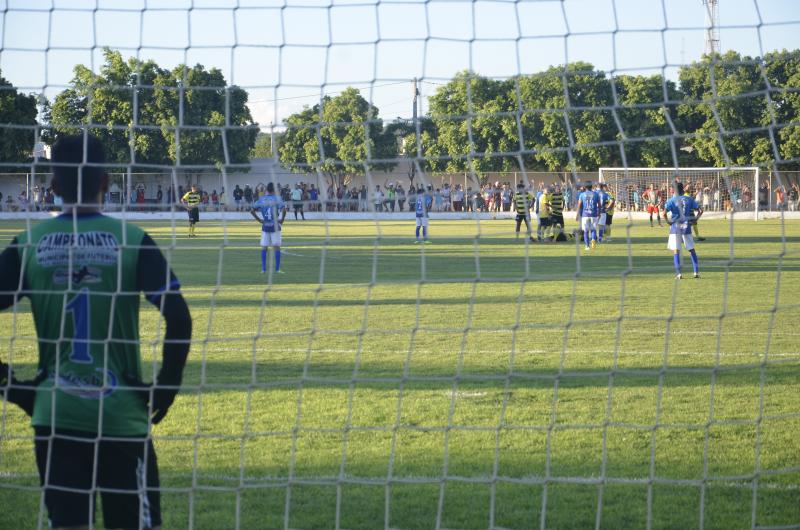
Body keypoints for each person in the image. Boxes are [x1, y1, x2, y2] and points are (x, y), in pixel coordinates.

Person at [0, 134, 192, 530]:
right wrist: (166, 386)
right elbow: (179, 317)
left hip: (56, 415)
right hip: (120, 415)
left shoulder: (28, 244)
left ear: (53, 187)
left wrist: (10, 386)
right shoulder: (132, 240)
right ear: (106, 181)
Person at [663, 180, 703, 279]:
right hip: (686, 226)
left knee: (676, 250)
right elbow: (701, 210)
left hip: (675, 228)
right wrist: (695, 220)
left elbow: (663, 213)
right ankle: (696, 273)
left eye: (672, 188)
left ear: (675, 190)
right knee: (691, 249)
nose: (671, 189)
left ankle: (679, 274)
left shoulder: (671, 200)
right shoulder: (689, 199)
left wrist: (668, 222)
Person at [251, 182, 287, 274]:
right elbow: (284, 209)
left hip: (265, 226)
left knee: (264, 248)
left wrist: (260, 220)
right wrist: (282, 219)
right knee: (277, 247)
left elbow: (252, 210)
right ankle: (277, 269)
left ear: (267, 190)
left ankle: (263, 269)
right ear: (274, 190)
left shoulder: (261, 199)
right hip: (275, 226)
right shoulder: (277, 199)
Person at [576, 181, 600, 250]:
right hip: (593, 214)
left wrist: (577, 214)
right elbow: (599, 204)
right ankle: (593, 240)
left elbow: (579, 205)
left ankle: (587, 246)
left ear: (585, 187)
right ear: (591, 186)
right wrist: (599, 213)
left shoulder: (582, 194)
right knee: (593, 230)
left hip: (585, 215)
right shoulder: (596, 194)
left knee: (585, 231)